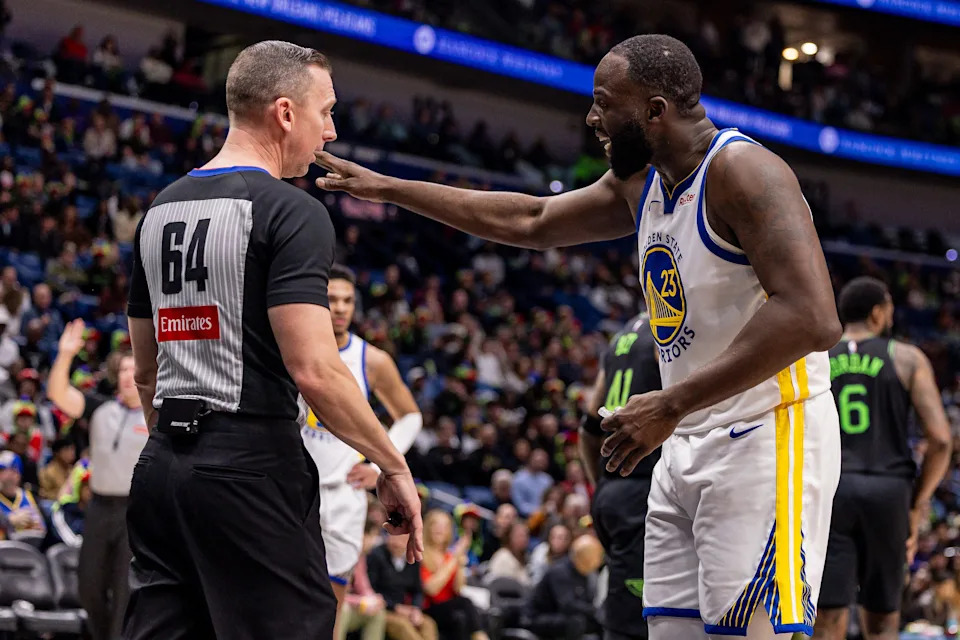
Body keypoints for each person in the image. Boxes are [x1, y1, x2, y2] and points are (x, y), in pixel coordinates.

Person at [317, 33, 842, 639]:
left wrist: (671, 402)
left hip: (765, 434)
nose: (592, 117)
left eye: (603, 102)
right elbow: (530, 219)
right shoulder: (640, 183)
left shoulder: (744, 171)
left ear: (654, 110)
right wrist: (387, 187)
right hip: (684, 438)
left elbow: (813, 316)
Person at [123, 40, 422, 640]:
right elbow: (314, 369)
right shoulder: (292, 210)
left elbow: (146, 372)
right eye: (326, 111)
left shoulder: (160, 207)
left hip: (160, 470)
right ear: (285, 113)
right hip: (251, 464)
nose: (331, 132)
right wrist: (393, 463)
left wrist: (186, 459)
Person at [814, 277, 952, 640]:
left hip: (831, 491)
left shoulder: (817, 359)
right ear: (878, 313)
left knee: (826, 617)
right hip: (889, 493)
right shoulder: (906, 358)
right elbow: (939, 440)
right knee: (883, 619)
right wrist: (917, 502)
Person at [300, 264, 424, 621]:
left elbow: (411, 416)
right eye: (331, 300)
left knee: (330, 605)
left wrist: (378, 465)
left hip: (343, 493)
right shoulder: (293, 345)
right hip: (292, 487)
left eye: (347, 301)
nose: (340, 308)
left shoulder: (371, 359)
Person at [47, 319, 149, 640]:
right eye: (122, 371)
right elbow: (58, 394)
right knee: (88, 586)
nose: (127, 377)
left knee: (123, 594)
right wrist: (65, 355)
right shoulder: (100, 409)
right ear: (116, 377)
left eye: (134, 370)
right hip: (99, 508)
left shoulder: (155, 415)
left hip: (134, 512)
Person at [579, 313, 662, 640]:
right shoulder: (669, 327)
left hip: (612, 490)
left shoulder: (621, 337)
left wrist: (598, 486)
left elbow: (587, 427)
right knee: (634, 624)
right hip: (643, 489)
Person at [420, 510, 490, 640]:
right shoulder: (421, 554)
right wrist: (454, 558)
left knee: (462, 617)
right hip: (429, 608)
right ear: (428, 527)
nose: (440, 529)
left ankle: (481, 636)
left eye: (445, 526)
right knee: (464, 604)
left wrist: (460, 564)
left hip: (451, 609)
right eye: (436, 524)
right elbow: (431, 589)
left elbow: (458, 589)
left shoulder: (449, 555)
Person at [522, 534, 605, 640]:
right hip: (537, 617)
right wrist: (595, 611)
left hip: (559, 615)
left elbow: (585, 602)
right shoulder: (560, 572)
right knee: (575, 622)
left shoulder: (583, 573)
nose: (597, 562)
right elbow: (567, 605)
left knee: (601, 622)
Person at [367, 531, 439, 640]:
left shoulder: (413, 559)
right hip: (382, 609)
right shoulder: (376, 555)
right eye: (394, 538)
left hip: (405, 609)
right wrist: (395, 608)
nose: (396, 543)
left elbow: (418, 590)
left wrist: (415, 609)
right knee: (403, 626)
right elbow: (371, 589)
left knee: (428, 624)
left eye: (402, 540)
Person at [337, 521, 388, 640]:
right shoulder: (340, 554)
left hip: (350, 605)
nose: (374, 541)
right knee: (343, 609)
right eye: (372, 536)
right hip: (333, 606)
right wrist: (359, 601)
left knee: (378, 613)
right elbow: (335, 594)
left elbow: (363, 587)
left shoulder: (361, 557)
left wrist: (374, 600)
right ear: (362, 535)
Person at [484, 521, 531, 585]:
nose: (524, 539)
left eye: (526, 535)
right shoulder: (502, 556)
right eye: (520, 535)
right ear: (510, 537)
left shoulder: (525, 558)